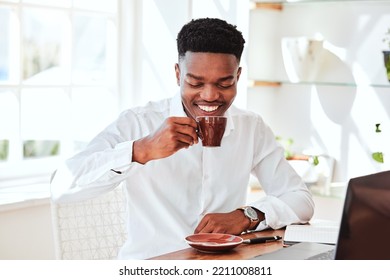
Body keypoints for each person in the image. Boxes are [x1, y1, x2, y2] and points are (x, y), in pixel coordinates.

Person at [51, 18, 314, 259]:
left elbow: (300, 199)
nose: (210, 95)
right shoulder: (138, 122)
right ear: (178, 74)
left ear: (238, 77)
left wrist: (248, 216)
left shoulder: (251, 127)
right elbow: (62, 186)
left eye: (224, 83)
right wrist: (141, 150)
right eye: (196, 83)